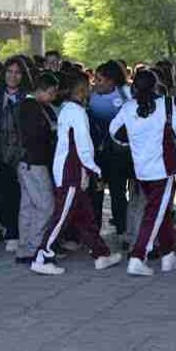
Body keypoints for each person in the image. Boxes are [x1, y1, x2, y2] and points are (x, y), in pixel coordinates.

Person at [30, 71, 122, 276]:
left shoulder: (68, 109)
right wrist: (95, 169)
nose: (91, 89)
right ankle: (42, 256)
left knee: (85, 216)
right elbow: (83, 145)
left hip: (71, 170)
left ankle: (101, 254)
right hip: (71, 171)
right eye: (88, 86)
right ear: (81, 89)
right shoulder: (77, 112)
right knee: (62, 217)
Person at [110, 70, 176, 276]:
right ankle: (138, 256)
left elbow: (114, 131)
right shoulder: (166, 104)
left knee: (160, 212)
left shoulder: (128, 107)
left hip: (141, 170)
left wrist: (131, 139)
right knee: (154, 213)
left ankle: (168, 255)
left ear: (134, 87)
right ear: (156, 86)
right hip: (163, 169)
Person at [0, 58, 30, 252]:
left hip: (23, 152)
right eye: (9, 71)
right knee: (1, 195)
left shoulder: (28, 97)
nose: (13, 76)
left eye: (17, 72)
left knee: (22, 196)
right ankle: (9, 231)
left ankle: (18, 232)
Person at [15, 72, 58, 264]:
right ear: (43, 90)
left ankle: (24, 248)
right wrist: (53, 132)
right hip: (35, 162)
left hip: (24, 163)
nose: (53, 97)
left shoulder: (25, 105)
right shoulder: (33, 108)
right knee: (45, 206)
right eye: (52, 92)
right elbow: (38, 136)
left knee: (28, 206)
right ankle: (35, 248)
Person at [88, 61, 132, 247]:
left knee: (118, 193)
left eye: (99, 79)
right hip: (96, 153)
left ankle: (122, 230)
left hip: (119, 154)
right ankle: (93, 233)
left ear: (112, 81)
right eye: (95, 78)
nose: (95, 82)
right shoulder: (90, 96)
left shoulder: (126, 95)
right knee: (95, 193)